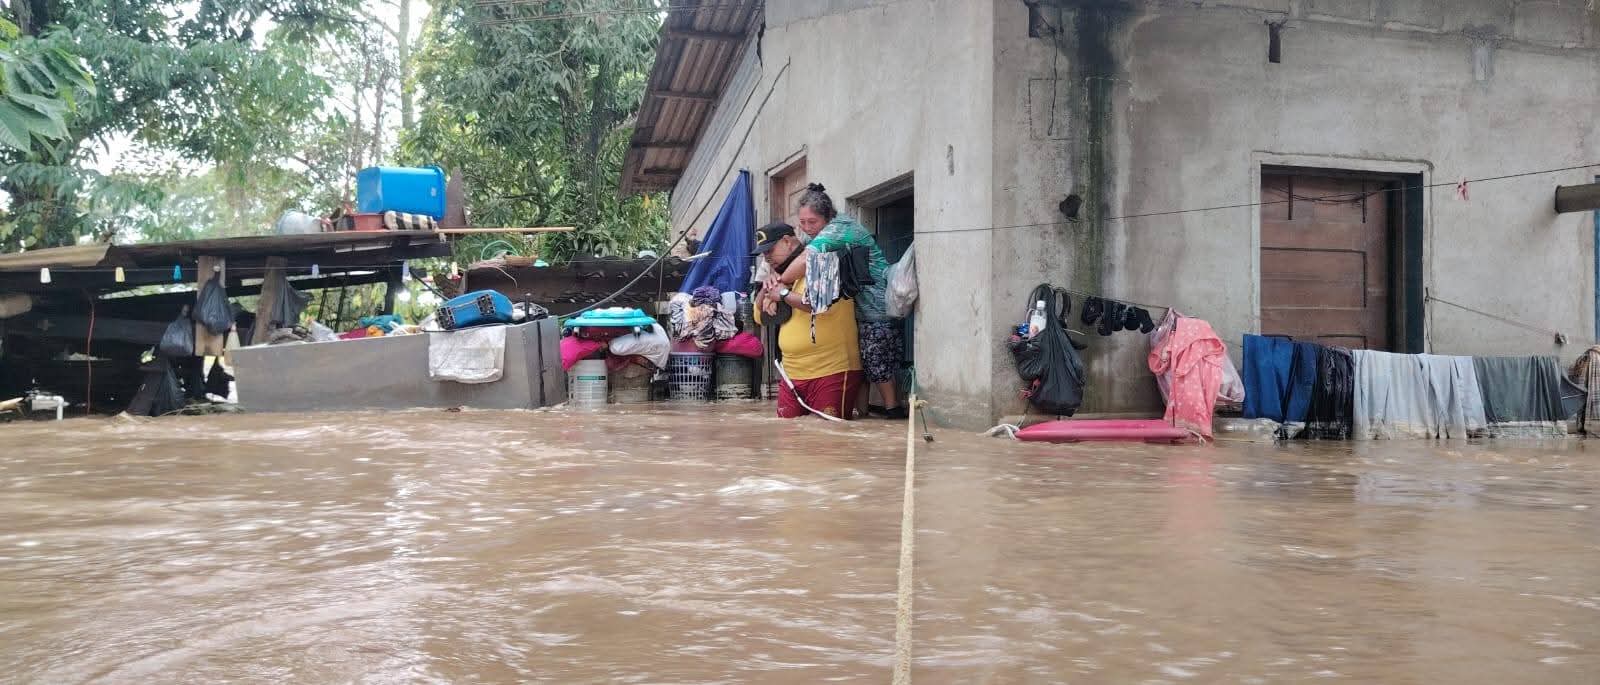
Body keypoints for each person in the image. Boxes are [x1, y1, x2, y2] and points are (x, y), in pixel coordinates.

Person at [763, 183, 904, 419]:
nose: (807, 228)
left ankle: (893, 412)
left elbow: (805, 260)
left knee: (879, 366)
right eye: (802, 223)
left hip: (877, 307)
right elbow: (796, 258)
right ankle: (863, 416)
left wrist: (779, 287)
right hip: (859, 309)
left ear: (827, 217)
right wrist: (773, 279)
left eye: (812, 222)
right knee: (864, 367)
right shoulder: (818, 235)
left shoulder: (838, 229)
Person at [752, 222, 863, 419]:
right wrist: (766, 287)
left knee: (827, 434)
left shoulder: (823, 259)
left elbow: (820, 305)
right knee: (788, 433)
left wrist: (784, 294)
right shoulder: (780, 276)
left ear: (787, 241)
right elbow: (760, 318)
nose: (766, 257)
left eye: (770, 250)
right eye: (763, 253)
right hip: (791, 373)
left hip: (831, 369)